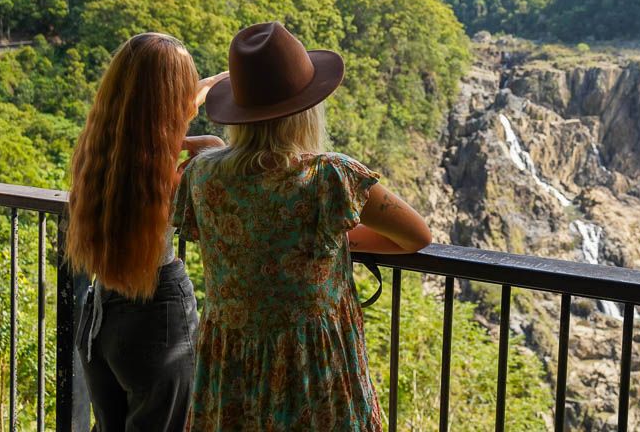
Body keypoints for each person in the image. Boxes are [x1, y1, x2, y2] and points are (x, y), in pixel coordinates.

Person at [174, 21, 432, 430]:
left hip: (229, 363)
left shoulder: (203, 176)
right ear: (306, 109)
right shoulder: (329, 177)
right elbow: (417, 236)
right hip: (314, 364)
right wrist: (333, 237)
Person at [67, 32, 227, 432]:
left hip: (100, 318)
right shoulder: (172, 174)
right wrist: (211, 142)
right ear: (170, 101)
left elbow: (153, 117)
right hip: (158, 318)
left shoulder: (102, 153)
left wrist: (207, 86)